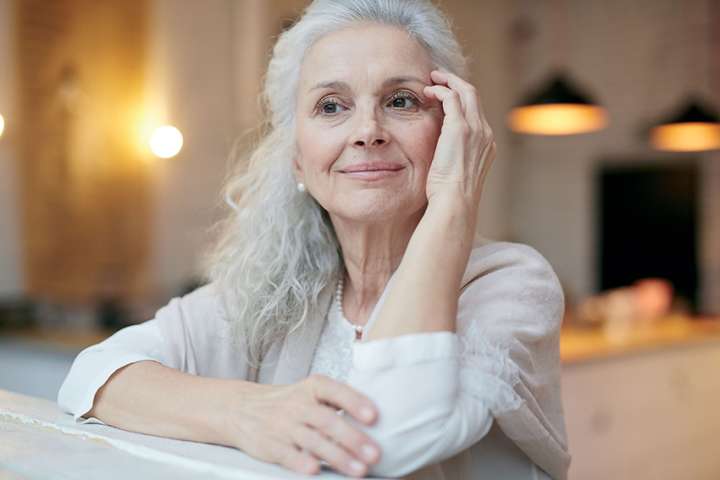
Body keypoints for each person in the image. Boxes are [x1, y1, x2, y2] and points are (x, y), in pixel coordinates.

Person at [58, 0, 571, 478]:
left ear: (451, 131)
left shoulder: (512, 284)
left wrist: (453, 200)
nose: (368, 130)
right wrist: (245, 413)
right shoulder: (282, 287)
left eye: (400, 100)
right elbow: (94, 374)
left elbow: (389, 440)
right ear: (298, 159)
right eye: (331, 106)